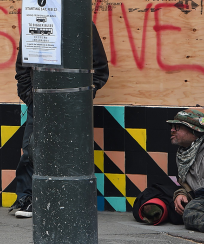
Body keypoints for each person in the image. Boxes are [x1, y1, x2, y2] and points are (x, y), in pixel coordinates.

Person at [11, 21, 109, 218]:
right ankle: (27, 197)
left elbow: (100, 68)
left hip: (72, 104)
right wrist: (31, 98)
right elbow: (23, 67)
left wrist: (82, 97)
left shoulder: (82, 24)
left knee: (71, 150)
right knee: (31, 149)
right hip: (39, 100)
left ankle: (66, 200)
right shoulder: (36, 20)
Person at [133, 109, 204, 230]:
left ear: (195, 131)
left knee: (191, 214)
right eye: (172, 126)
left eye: (178, 127)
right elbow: (190, 185)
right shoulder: (183, 153)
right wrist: (181, 193)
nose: (172, 130)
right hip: (199, 197)